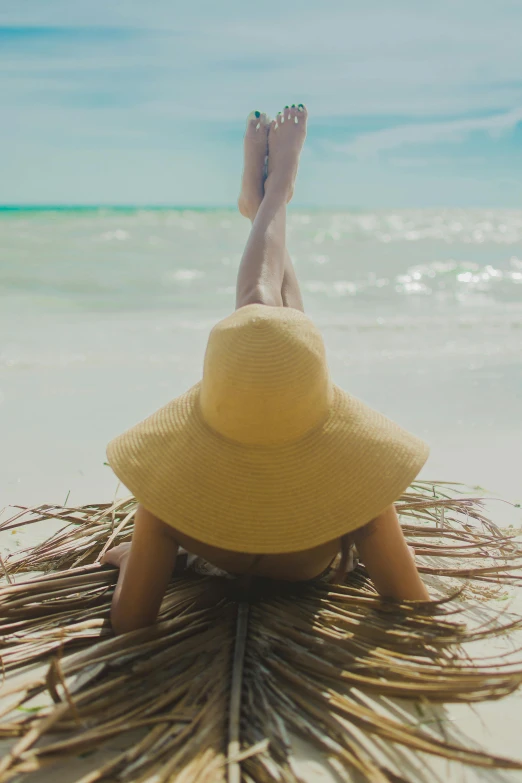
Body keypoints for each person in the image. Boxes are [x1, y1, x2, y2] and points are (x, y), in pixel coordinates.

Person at [102, 105, 431, 636]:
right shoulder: (360, 498)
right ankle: (273, 194)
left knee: (264, 328)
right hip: (307, 560)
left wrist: (127, 561)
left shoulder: (166, 501)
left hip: (208, 539)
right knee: (275, 331)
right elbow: (412, 605)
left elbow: (129, 624)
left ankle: (268, 199)